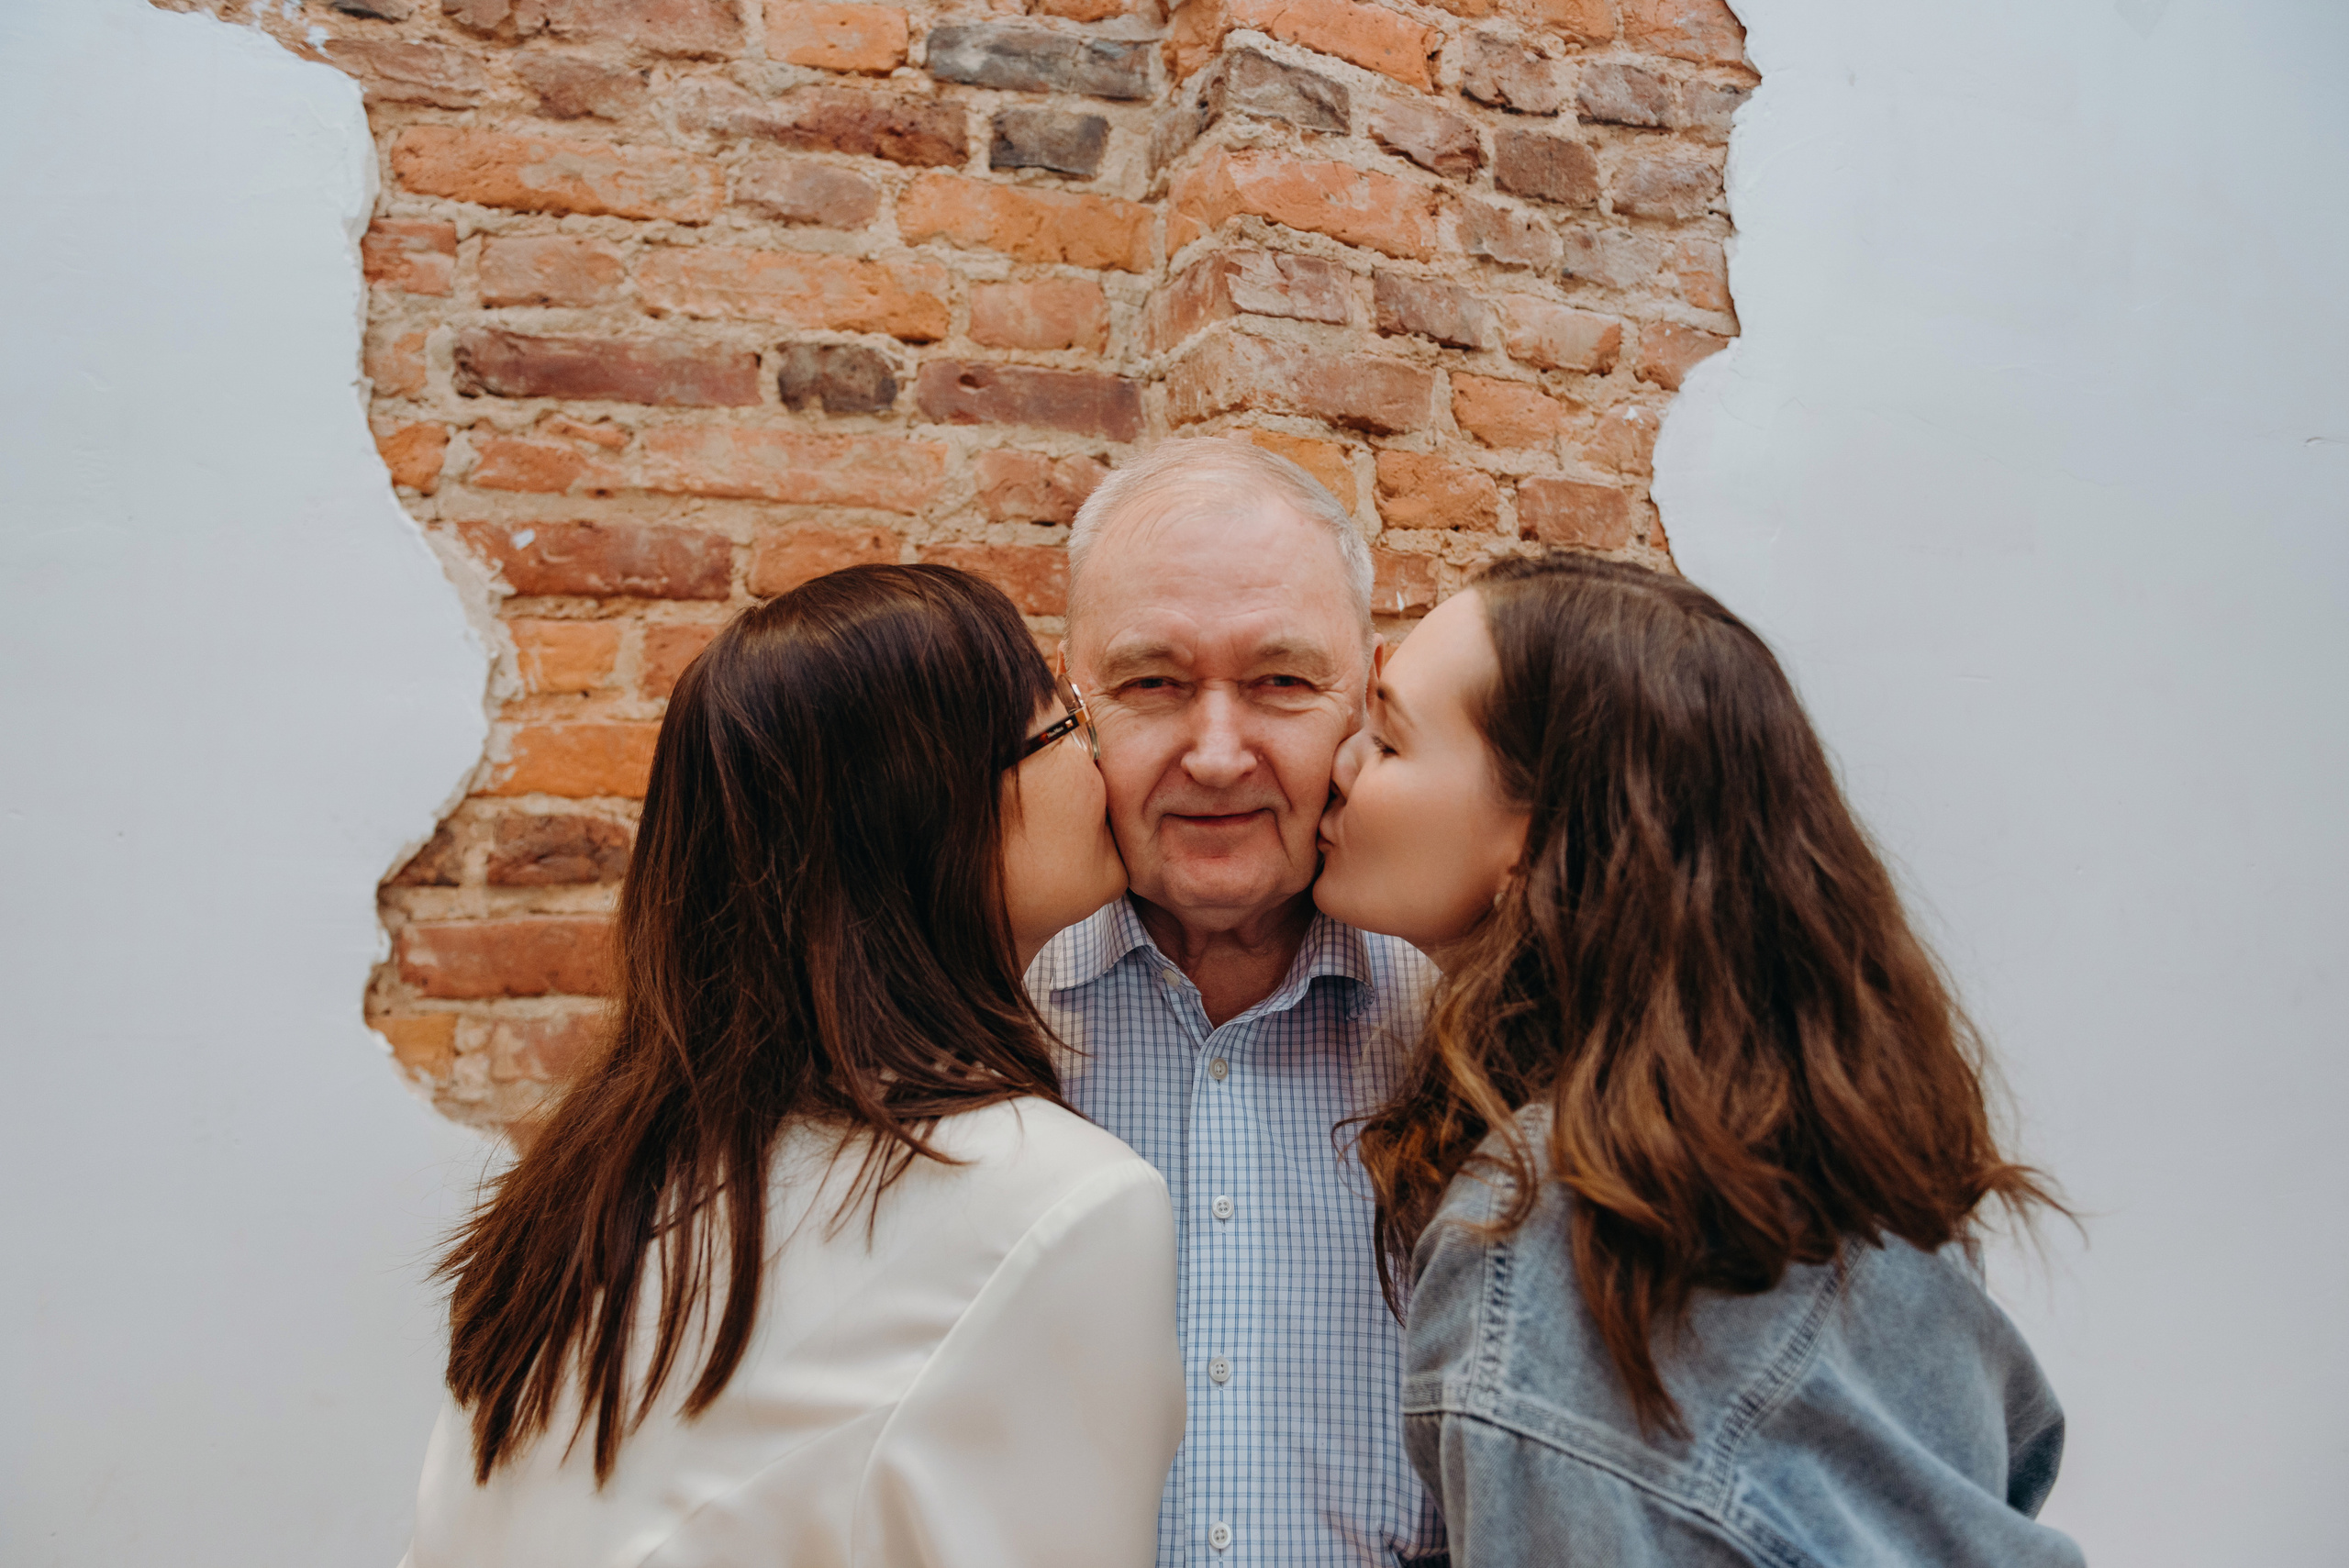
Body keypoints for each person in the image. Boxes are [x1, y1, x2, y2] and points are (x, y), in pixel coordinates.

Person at [401, 565, 1183, 1568]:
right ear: (941, 815)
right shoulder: (1062, 1201)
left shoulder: (595, 1187)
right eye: (1066, 720)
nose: (1104, 758)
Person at [1318, 553, 2084, 1568]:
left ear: (1537, 839)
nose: (1341, 762)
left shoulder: (1555, 1229)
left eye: (1389, 735)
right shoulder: (1847, 1168)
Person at [1027, 439, 1446, 1567]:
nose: (1217, 754)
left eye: (1281, 682)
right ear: (1077, 702)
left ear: (1366, 695)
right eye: (1153, 683)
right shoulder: (973, 1028)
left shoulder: (1475, 1037)